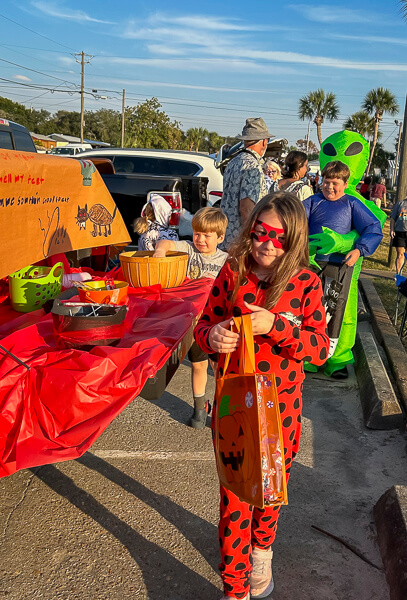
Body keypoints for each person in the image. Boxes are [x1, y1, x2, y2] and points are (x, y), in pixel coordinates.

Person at [194, 192, 330, 600]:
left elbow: (320, 350)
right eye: (261, 233)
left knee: (270, 495)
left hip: (282, 413)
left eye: (281, 238)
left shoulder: (306, 282)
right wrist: (213, 336)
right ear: (251, 230)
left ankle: (262, 551)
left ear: (296, 241)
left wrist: (278, 326)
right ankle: (234, 589)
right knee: (235, 503)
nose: (269, 244)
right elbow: (203, 326)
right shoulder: (233, 272)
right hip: (235, 409)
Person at [303, 161, 383, 378]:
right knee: (310, 309)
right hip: (312, 266)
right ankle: (310, 357)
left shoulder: (352, 204)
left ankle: (333, 360)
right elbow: (294, 221)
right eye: (326, 182)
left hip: (339, 267)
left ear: (346, 184)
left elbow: (374, 228)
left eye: (335, 183)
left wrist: (359, 250)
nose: (330, 188)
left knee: (334, 311)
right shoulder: (312, 202)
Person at [154, 207, 228, 428]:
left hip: (216, 325)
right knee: (198, 366)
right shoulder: (187, 249)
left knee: (219, 370)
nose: (201, 240)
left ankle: (221, 408)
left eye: (207, 235)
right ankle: (199, 408)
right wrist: (160, 252)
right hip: (193, 324)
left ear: (220, 237)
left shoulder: (226, 260)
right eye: (197, 233)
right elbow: (166, 243)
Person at [221, 117, 271, 249]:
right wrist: (252, 238)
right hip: (240, 240)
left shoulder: (233, 162)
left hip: (225, 236)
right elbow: (246, 207)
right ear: (264, 142)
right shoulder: (252, 166)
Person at [390, 197, 407, 274]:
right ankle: (398, 273)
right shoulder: (400, 204)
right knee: (400, 254)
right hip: (400, 232)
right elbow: (393, 218)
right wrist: (392, 229)